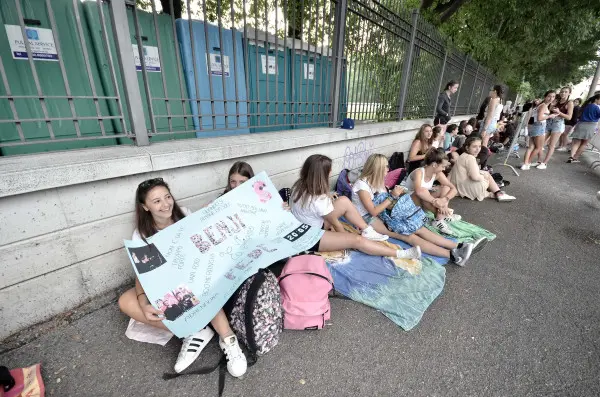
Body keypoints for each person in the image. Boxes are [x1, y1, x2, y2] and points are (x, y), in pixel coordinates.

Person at [118, 178, 248, 376]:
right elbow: (143, 274)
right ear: (145, 206)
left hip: (196, 278)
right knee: (126, 301)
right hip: (166, 285)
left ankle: (228, 339)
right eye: (157, 201)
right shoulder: (141, 235)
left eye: (167, 197)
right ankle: (194, 331)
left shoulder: (185, 215)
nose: (165, 204)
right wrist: (143, 301)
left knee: (200, 285)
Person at [352, 154, 481, 265]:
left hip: (383, 213)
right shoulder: (362, 185)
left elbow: (384, 200)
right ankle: (453, 255)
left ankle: (459, 246)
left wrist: (395, 195)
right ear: (377, 168)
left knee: (418, 227)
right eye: (385, 166)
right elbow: (373, 212)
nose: (388, 169)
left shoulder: (377, 181)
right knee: (408, 235)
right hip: (368, 218)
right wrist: (392, 196)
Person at [290, 154, 421, 260]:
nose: (331, 172)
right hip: (309, 237)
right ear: (323, 174)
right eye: (329, 170)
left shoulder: (299, 185)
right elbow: (336, 225)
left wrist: (329, 196)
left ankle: (366, 230)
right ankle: (400, 254)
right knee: (357, 240)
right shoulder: (319, 198)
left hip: (302, 226)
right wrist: (346, 239)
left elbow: (319, 207)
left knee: (343, 200)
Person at [401, 149, 460, 235]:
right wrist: (436, 203)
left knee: (445, 188)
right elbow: (418, 191)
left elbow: (454, 189)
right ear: (434, 165)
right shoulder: (419, 172)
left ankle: (439, 218)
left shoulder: (438, 174)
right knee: (423, 191)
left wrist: (444, 200)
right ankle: (442, 215)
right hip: (409, 203)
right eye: (442, 166)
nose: (444, 169)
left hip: (423, 202)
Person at [450, 136, 516, 202]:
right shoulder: (470, 158)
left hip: (459, 185)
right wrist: (483, 178)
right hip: (465, 187)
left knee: (485, 174)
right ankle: (498, 193)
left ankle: (495, 194)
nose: (477, 149)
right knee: (486, 176)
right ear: (467, 148)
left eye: (479, 146)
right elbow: (475, 177)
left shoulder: (463, 155)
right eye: (474, 146)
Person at [538, 87, 573, 169]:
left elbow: (569, 117)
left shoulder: (569, 103)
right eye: (562, 92)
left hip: (558, 124)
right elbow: (549, 111)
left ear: (569, 93)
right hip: (549, 122)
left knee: (551, 145)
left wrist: (559, 112)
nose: (563, 93)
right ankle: (539, 161)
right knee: (540, 143)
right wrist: (552, 106)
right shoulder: (556, 100)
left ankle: (544, 163)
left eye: (565, 92)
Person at [521, 91, 557, 170]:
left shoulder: (540, 105)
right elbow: (539, 118)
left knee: (531, 147)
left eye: (553, 96)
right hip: (539, 127)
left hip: (534, 127)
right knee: (538, 148)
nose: (551, 98)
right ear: (545, 96)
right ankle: (528, 163)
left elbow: (534, 117)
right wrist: (550, 116)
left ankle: (525, 163)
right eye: (549, 96)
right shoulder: (543, 105)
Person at [567, 94, 600, 163]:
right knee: (584, 143)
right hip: (590, 126)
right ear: (596, 99)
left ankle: (571, 156)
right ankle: (575, 158)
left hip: (581, 124)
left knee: (576, 142)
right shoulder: (596, 107)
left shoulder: (586, 106)